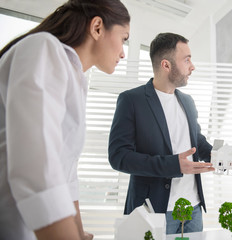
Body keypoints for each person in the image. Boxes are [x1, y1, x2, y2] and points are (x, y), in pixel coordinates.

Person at [0, 0, 130, 239]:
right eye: (124, 38)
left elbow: (67, 176)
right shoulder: (44, 48)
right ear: (98, 27)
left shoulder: (76, 79)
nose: (123, 52)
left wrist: (79, 234)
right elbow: (35, 169)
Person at [108, 32, 217, 234]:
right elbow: (119, 157)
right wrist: (172, 165)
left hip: (192, 210)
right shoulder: (132, 101)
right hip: (154, 210)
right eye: (186, 60)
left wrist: (220, 156)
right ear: (166, 65)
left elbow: (196, 142)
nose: (192, 66)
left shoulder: (188, 102)